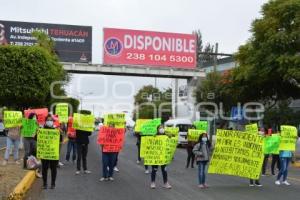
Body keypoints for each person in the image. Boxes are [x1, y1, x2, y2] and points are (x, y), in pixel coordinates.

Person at [40, 114, 61, 189]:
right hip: (45, 152)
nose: (49, 121)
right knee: (44, 168)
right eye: (48, 120)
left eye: (51, 120)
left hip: (53, 152)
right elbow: (37, 139)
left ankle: (53, 184)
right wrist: (36, 132)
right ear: (45, 121)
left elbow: (60, 140)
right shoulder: (41, 129)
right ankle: (45, 184)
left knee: (53, 168)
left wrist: (60, 133)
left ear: (53, 121)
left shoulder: (56, 129)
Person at [150, 125, 172, 189]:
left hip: (163, 156)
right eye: (160, 128)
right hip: (156, 156)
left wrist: (169, 136)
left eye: (162, 128)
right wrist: (153, 137)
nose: (161, 129)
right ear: (157, 129)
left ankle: (166, 183)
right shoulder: (155, 136)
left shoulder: (166, 136)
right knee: (154, 169)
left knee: (164, 170)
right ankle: (153, 182)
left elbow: (172, 140)